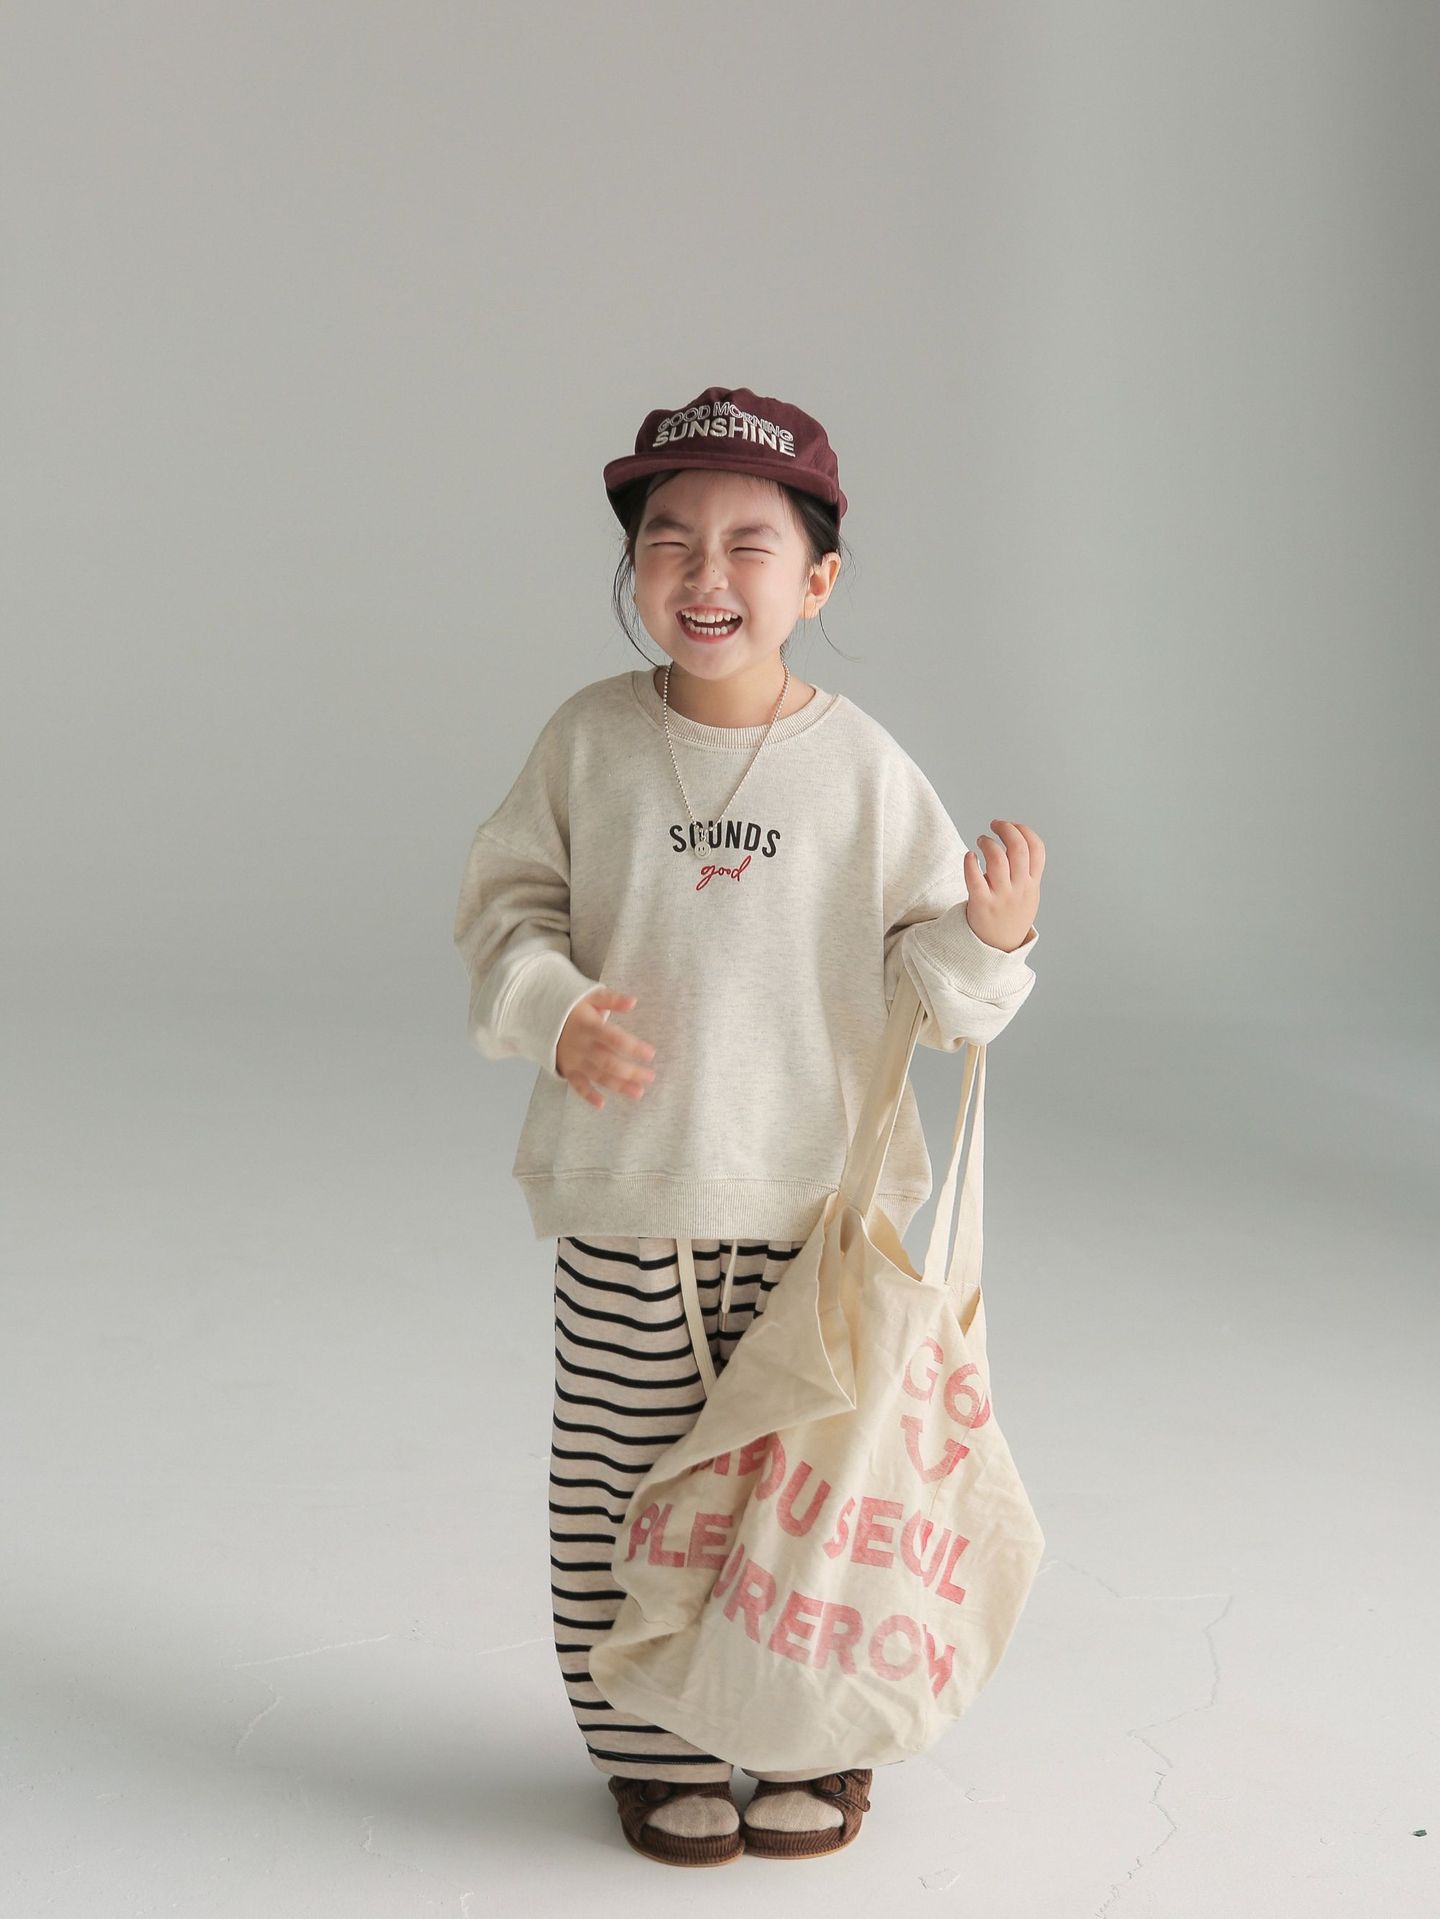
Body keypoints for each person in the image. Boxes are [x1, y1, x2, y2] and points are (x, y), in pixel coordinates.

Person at [451, 384, 1045, 1867]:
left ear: (817, 581)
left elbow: (930, 991)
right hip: (628, 1200)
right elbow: (507, 912)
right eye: (669, 539)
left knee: (813, 1484)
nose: (704, 573)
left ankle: (813, 1737)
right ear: (634, 567)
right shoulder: (588, 743)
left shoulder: (864, 770)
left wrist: (989, 936)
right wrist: (556, 1010)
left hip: (816, 1213)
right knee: (624, 1484)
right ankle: (652, 1752)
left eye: (749, 544)